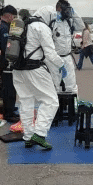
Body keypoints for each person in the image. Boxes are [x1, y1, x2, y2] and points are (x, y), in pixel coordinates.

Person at [12, 16, 66, 150]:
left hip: (17, 70)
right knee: (51, 100)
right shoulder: (41, 27)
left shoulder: (23, 26)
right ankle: (40, 134)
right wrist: (61, 65)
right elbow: (50, 53)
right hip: (34, 69)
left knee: (26, 102)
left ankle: (28, 136)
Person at [34, 0, 84, 94]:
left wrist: (74, 13)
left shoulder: (69, 21)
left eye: (68, 10)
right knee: (54, 86)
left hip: (67, 57)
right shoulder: (52, 22)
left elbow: (81, 26)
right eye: (65, 10)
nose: (67, 12)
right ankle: (56, 107)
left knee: (71, 86)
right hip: (54, 58)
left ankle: (72, 107)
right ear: (59, 9)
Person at [0, 5, 19, 122]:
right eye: (13, 15)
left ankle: (8, 109)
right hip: (1, 62)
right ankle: (3, 110)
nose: (14, 18)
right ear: (8, 15)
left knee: (9, 87)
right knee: (2, 86)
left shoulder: (10, 28)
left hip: (9, 61)